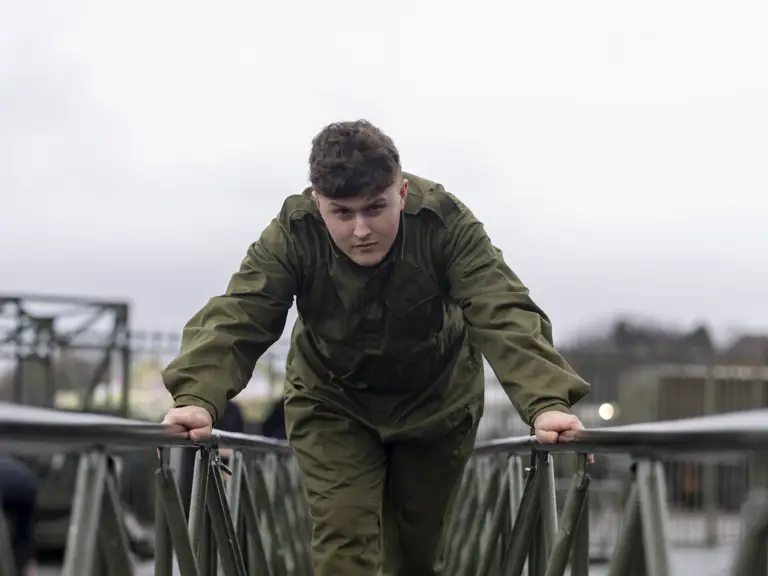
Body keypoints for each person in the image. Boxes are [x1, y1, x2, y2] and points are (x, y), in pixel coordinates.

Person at [161, 120, 590, 575]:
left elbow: (500, 308)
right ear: (316, 202)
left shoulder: (444, 223)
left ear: (401, 194)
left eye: (376, 208)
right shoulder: (294, 232)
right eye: (342, 214)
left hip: (436, 405)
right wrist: (197, 396)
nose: (361, 229)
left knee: (416, 554)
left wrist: (546, 401)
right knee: (344, 540)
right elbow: (243, 310)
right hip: (333, 401)